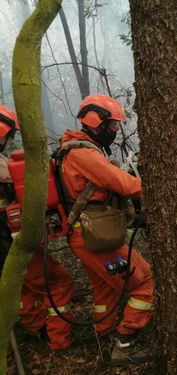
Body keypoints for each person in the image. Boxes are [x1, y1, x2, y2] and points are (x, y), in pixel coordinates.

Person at [56, 94, 154, 349]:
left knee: (105, 289)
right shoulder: (83, 153)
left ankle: (103, 334)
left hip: (88, 234)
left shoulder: (81, 149)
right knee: (145, 282)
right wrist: (161, 188)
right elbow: (123, 184)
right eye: (112, 125)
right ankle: (126, 335)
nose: (115, 131)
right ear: (94, 121)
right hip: (93, 236)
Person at [0, 104, 74, 350]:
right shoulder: (2, 167)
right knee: (58, 282)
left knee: (19, 286)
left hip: (5, 245)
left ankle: (37, 328)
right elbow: (22, 178)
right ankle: (58, 339)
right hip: (11, 241)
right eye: (9, 135)